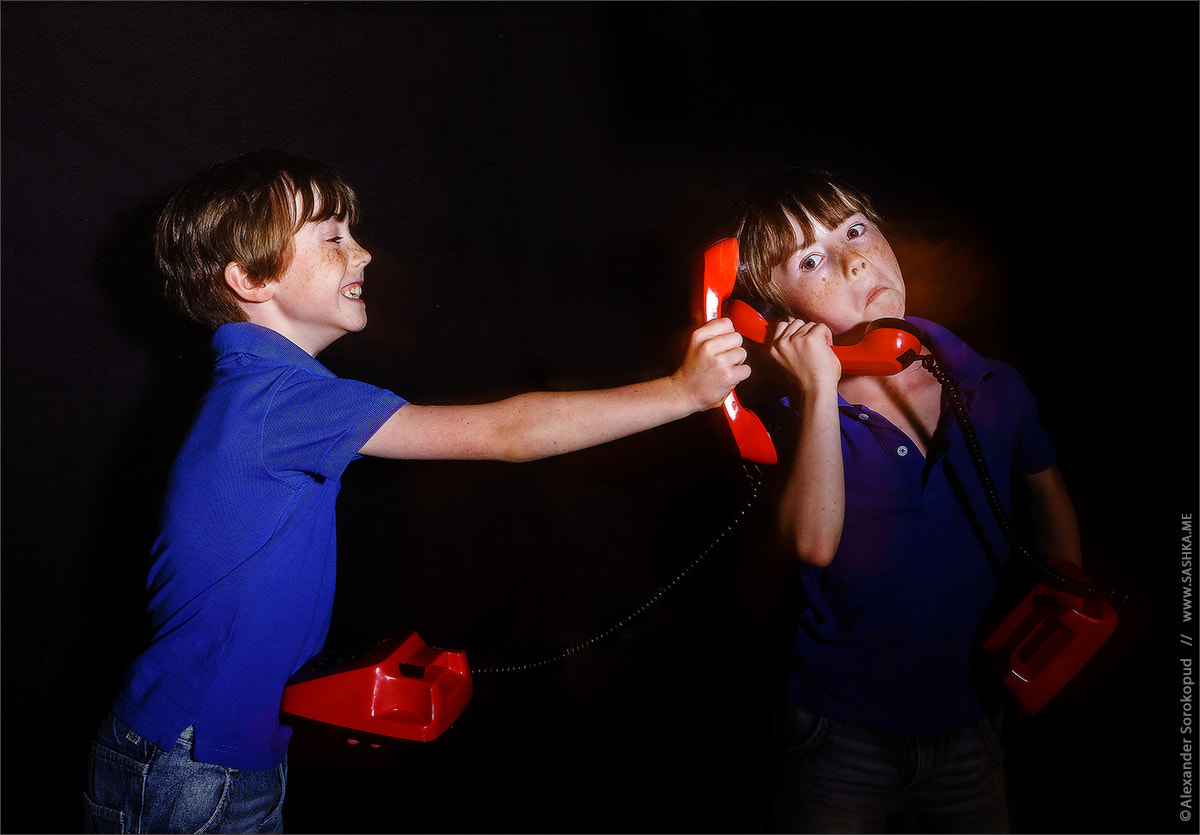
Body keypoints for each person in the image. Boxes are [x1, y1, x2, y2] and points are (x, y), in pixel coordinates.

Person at [82, 149, 750, 834]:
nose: (364, 252)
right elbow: (506, 433)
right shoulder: (277, 400)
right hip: (191, 769)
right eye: (334, 236)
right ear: (250, 278)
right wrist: (680, 393)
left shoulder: (265, 394)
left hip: (213, 759)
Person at [731, 168, 1083, 833]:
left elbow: (1044, 484)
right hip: (837, 729)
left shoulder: (992, 382)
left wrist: (1069, 594)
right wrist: (814, 392)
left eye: (856, 230)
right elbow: (812, 541)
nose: (852, 257)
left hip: (972, 716)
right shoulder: (794, 419)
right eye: (810, 259)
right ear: (775, 317)